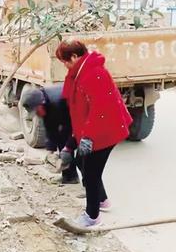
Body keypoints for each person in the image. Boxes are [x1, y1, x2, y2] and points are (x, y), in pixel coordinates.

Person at [55, 40, 133, 228]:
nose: (64, 65)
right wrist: (70, 145)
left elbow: (101, 109)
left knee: (90, 172)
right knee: (82, 162)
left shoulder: (95, 74)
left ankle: (92, 216)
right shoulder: (79, 73)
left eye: (64, 61)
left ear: (74, 57)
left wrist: (88, 138)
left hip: (106, 129)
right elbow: (79, 113)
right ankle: (102, 200)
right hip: (93, 127)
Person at [20, 84, 83, 185]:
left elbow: (73, 126)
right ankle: (69, 177)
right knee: (61, 141)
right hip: (68, 117)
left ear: (41, 103)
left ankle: (90, 185)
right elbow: (51, 127)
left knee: (81, 154)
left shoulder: (58, 101)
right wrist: (50, 150)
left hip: (82, 116)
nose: (37, 114)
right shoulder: (44, 102)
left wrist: (67, 148)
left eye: (36, 111)